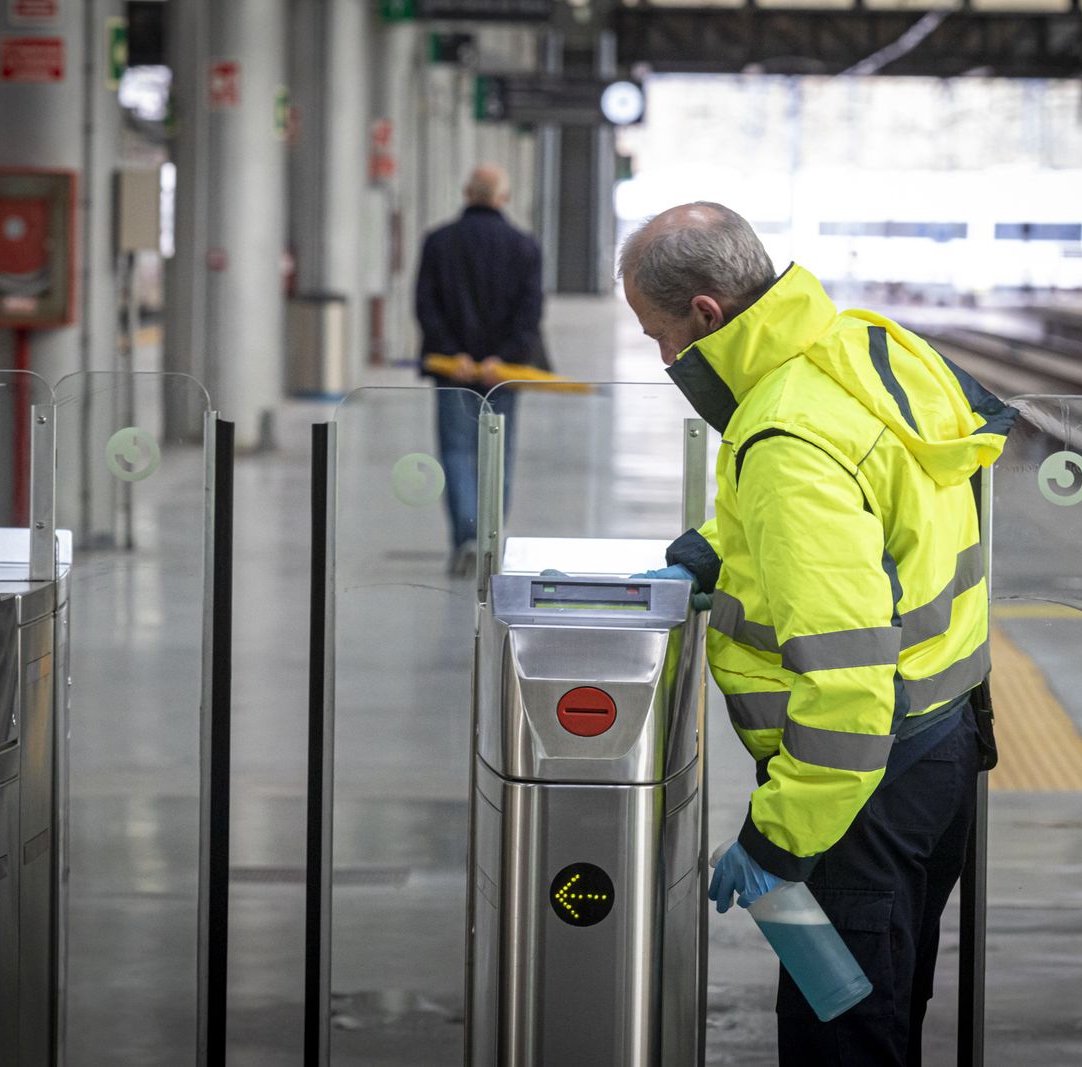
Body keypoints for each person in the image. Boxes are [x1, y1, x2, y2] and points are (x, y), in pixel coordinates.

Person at [621, 203, 1013, 1065]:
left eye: (659, 335)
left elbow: (847, 680)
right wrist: (722, 551)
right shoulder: (861, 350)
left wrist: (779, 835)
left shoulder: (785, 434)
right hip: (943, 747)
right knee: (889, 1007)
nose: (661, 359)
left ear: (706, 315)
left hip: (858, 792)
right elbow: (881, 524)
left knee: (844, 1041)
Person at [415, 163, 547, 575]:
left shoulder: (438, 242)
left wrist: (455, 355)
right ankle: (491, 538)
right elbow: (530, 312)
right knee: (499, 453)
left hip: (451, 369)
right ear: (503, 198)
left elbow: (426, 305)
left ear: (466, 192)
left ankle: (466, 538)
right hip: (503, 372)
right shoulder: (524, 246)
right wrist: (501, 358)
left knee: (456, 452)